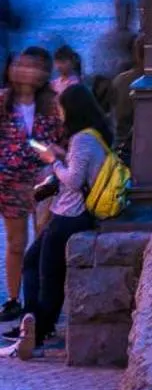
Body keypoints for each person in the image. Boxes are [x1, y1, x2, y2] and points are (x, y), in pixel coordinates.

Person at [13, 82, 113, 356]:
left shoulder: (83, 140)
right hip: (68, 214)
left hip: (69, 215)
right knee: (33, 262)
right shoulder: (95, 135)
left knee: (49, 276)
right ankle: (31, 324)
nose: (58, 113)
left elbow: (73, 179)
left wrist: (52, 161)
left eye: (60, 108)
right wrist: (60, 156)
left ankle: (37, 330)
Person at [0, 50, 58, 325]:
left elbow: (63, 138)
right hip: (10, 183)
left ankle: (40, 300)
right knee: (15, 243)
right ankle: (14, 299)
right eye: (19, 65)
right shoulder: (2, 103)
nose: (23, 70)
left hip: (44, 182)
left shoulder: (52, 105)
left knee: (42, 243)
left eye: (30, 66)